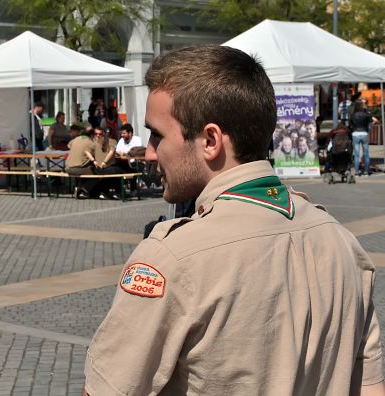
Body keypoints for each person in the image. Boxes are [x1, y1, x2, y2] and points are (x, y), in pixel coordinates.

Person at [83, 45, 384, 395]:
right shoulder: (343, 243)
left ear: (210, 140)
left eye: (157, 135)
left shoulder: (172, 257)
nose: (149, 152)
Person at [66, 127, 97, 199]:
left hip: (67, 168)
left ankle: (84, 191)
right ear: (92, 136)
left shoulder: (77, 138)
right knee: (98, 173)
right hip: (77, 169)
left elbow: (69, 145)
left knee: (86, 168)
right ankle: (82, 189)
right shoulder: (91, 142)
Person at [350, 99, 379, 176]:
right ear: (362, 106)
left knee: (356, 154)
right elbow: (373, 121)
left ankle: (356, 172)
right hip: (364, 133)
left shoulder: (353, 115)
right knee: (366, 153)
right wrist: (371, 124)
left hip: (355, 134)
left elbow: (350, 125)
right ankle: (366, 172)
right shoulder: (366, 114)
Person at [93, 127, 123, 200]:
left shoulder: (96, 141)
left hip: (96, 168)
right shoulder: (113, 141)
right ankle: (118, 193)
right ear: (112, 134)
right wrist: (104, 162)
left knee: (111, 171)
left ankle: (104, 192)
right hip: (105, 167)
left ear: (103, 133)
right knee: (119, 171)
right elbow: (111, 152)